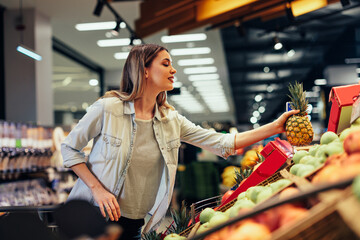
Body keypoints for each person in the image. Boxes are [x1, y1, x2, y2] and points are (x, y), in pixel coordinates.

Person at [61, 44, 298, 239]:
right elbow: (69, 148)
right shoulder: (108, 108)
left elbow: (224, 143)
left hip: (137, 223)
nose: (173, 70)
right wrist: (97, 189)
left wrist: (276, 127)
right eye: (166, 64)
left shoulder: (170, 119)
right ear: (144, 70)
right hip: (94, 214)